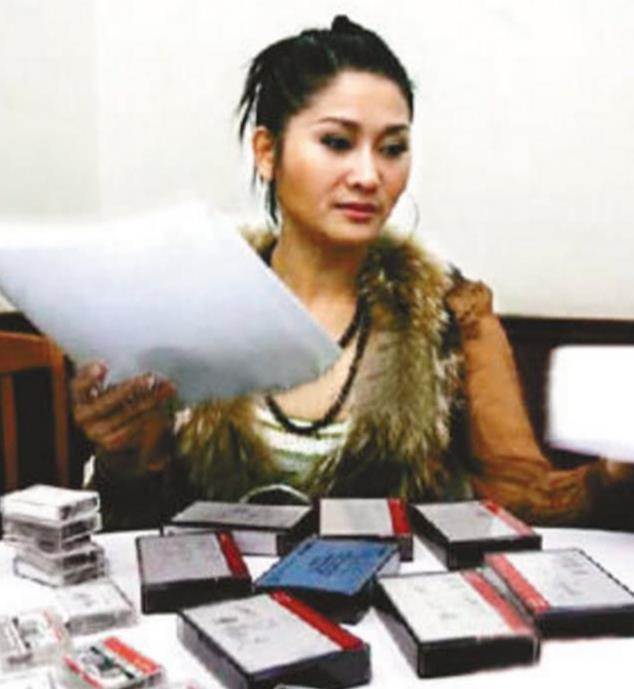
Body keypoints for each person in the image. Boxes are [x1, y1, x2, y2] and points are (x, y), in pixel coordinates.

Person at [72, 16, 633, 530]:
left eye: (392, 148)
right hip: (220, 601)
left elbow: (523, 498)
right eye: (337, 143)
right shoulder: (194, 310)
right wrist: (118, 451)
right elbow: (137, 522)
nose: (369, 175)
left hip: (399, 602)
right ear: (267, 152)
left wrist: (613, 473)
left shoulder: (452, 314)